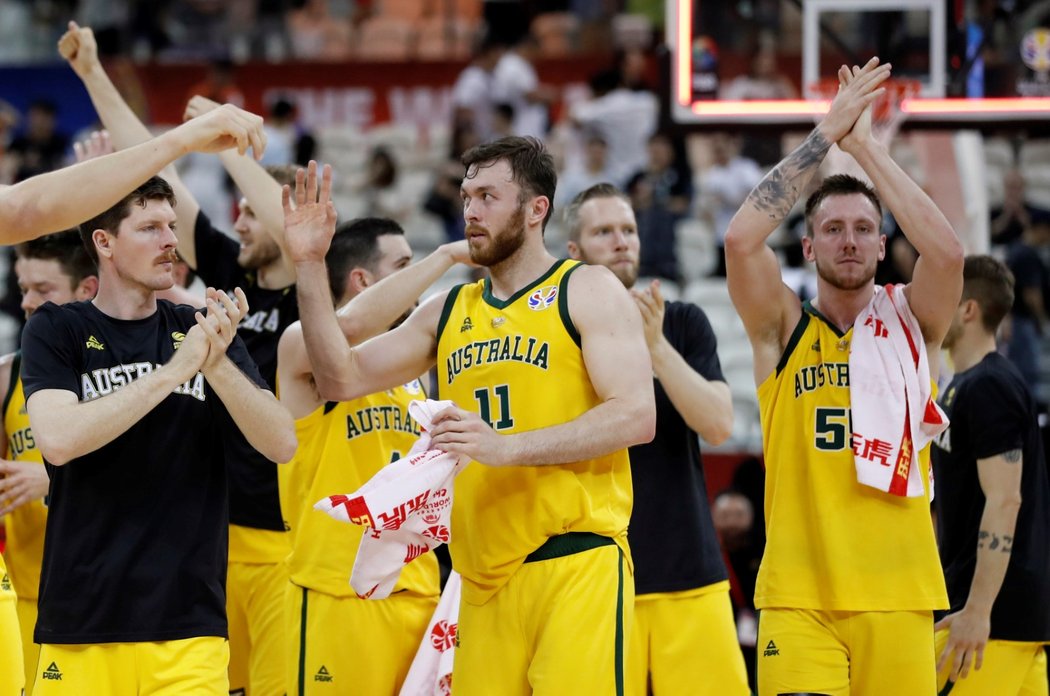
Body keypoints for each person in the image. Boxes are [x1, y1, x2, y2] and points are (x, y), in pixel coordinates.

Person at [285, 138, 656, 695]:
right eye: (466, 196)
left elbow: (635, 416)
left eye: (488, 195)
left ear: (536, 210)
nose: (470, 211)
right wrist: (311, 265)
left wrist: (506, 447)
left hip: (575, 560)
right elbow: (338, 376)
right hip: (479, 581)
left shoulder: (586, 288)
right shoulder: (449, 309)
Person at [59, 22, 297, 692]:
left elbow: (292, 228)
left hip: (286, 535)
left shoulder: (316, 290)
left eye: (250, 212)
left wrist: (227, 147)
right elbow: (153, 171)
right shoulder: (228, 269)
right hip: (221, 529)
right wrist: (95, 74)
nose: (239, 223)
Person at [724, 57, 964, 695]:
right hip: (798, 595)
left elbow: (947, 254)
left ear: (884, 246)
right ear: (808, 248)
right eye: (832, 230)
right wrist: (827, 135)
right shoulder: (782, 328)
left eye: (864, 230)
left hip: (899, 591)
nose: (850, 241)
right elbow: (743, 241)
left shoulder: (915, 323)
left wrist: (865, 150)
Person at [20, 176, 295, 695]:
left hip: (189, 626)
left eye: (171, 226)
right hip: (81, 621)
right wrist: (174, 371)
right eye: (149, 227)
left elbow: (280, 443)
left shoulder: (199, 328)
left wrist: (215, 365)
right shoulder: (57, 329)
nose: (170, 240)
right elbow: (58, 438)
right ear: (104, 242)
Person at [565, 183, 748, 695]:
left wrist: (657, 348)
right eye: (604, 232)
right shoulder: (556, 335)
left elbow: (718, 425)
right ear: (574, 252)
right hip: (593, 579)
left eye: (629, 230)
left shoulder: (685, 321)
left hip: (688, 570)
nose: (622, 241)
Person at [277, 217, 473, 694]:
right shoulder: (301, 346)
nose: (417, 277)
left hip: (418, 588)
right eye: (403, 265)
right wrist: (444, 257)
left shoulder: (410, 372)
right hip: (336, 595)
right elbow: (347, 326)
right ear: (363, 279)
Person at [931, 255, 1050, 695]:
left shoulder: (989, 386)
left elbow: (1006, 500)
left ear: (968, 309)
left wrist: (979, 610)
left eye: (945, 298)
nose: (931, 306)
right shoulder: (966, 384)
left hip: (988, 623)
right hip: (1010, 623)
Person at [0, 231, 98, 695]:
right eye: (23, 290)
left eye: (43, 291)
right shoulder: (7, 377)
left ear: (86, 290)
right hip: (24, 597)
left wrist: (52, 476)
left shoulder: (122, 372)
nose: (27, 303)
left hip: (105, 603)